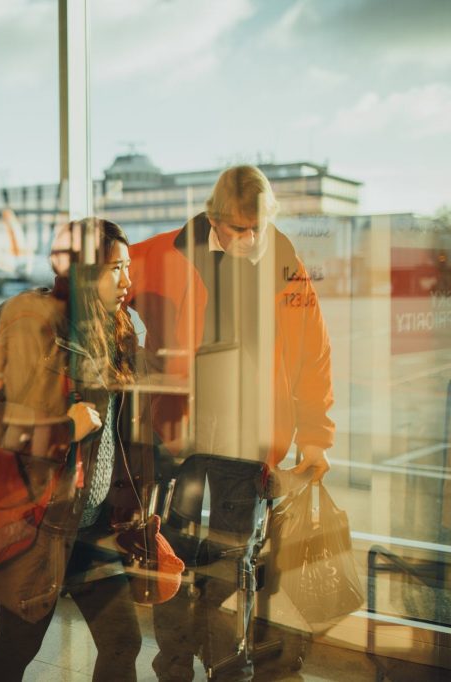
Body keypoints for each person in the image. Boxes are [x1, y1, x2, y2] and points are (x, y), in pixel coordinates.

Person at [126, 166, 335, 680]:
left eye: (257, 228)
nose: (248, 239)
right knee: (172, 553)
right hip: (182, 437)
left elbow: (314, 355)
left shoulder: (286, 264)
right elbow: (100, 284)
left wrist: (316, 438)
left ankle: (219, 654)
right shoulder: (166, 252)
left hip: (248, 441)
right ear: (215, 219)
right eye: (238, 229)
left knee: (231, 559)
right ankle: (174, 660)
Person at [0, 218, 158, 682]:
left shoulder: (119, 331)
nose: (128, 280)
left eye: (128, 267)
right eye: (115, 269)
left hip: (92, 528)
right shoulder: (36, 332)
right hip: (39, 529)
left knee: (123, 641)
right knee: (14, 651)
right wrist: (60, 427)